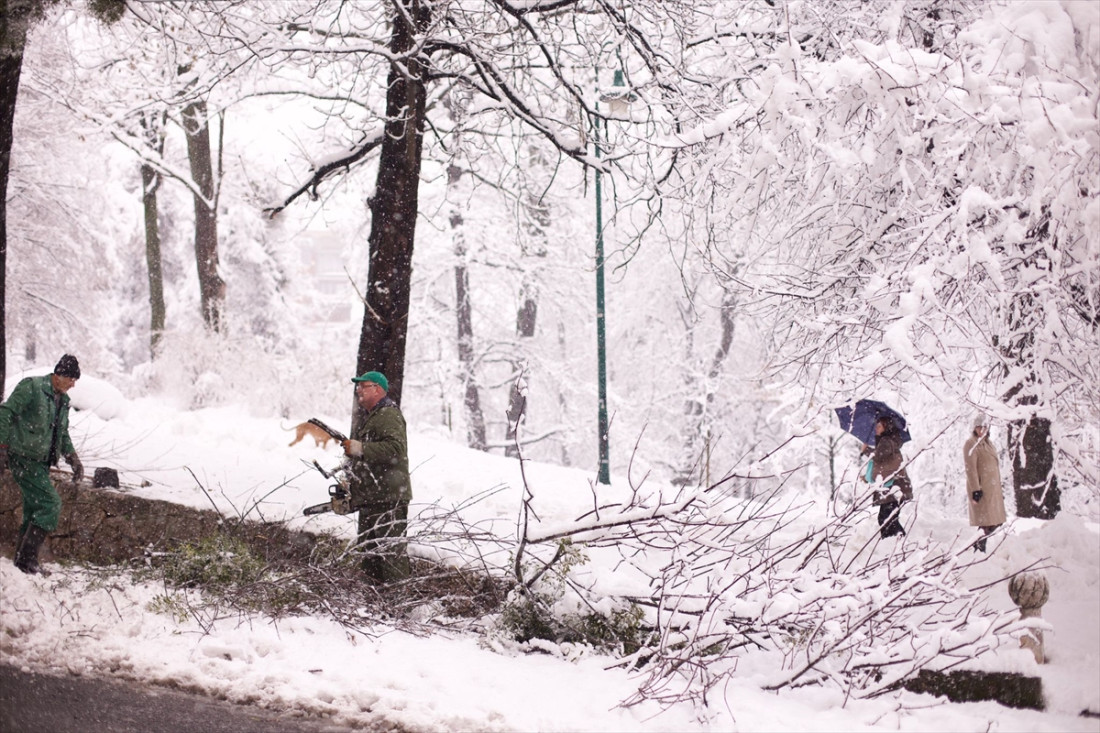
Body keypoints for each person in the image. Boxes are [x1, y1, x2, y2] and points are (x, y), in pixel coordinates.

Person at [0, 354, 85, 574]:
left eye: (75, 380)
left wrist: (73, 458)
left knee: (33, 508)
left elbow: (62, 433)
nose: (73, 384)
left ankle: (22, 562)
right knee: (50, 504)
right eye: (71, 379)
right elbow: (6, 412)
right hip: (23, 457)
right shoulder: (32, 387)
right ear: (59, 375)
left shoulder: (63, 401)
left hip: (41, 462)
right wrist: (1, 446)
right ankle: (26, 560)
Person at [341, 370, 412, 584]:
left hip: (388, 499)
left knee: (391, 557)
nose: (358, 390)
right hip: (373, 498)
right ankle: (373, 600)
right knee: (369, 558)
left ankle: (398, 599)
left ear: (377, 389)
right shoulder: (374, 416)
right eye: (358, 386)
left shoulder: (388, 414)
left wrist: (360, 448)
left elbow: (395, 448)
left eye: (364, 386)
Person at [963, 413, 1007, 552]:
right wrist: (976, 489)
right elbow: (971, 469)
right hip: (982, 489)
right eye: (979, 427)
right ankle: (978, 548)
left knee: (996, 521)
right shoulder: (971, 444)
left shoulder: (989, 443)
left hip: (993, 489)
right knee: (986, 522)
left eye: (984, 427)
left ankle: (978, 546)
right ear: (974, 428)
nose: (982, 430)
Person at [865, 416, 913, 539]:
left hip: (893, 486)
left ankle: (897, 542)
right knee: (889, 518)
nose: (876, 428)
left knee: (887, 519)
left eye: (879, 426)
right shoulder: (891, 440)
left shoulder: (886, 441)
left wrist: (866, 450)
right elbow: (886, 464)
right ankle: (896, 542)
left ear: (886, 427)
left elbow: (879, 456)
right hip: (896, 485)